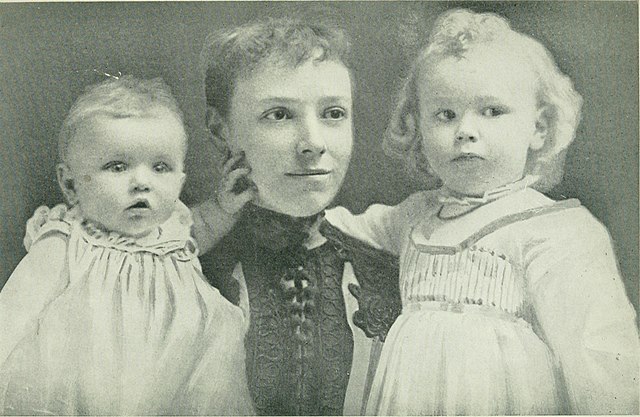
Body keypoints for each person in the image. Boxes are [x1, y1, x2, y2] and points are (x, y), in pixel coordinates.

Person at [19, 18, 401, 416]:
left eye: (334, 113)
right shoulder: (170, 270)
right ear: (221, 130)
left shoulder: (390, 268)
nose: (313, 143)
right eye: (279, 115)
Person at [326, 9, 640, 415]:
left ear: (538, 128)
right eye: (445, 114)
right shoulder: (415, 216)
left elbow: (600, 362)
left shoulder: (556, 229)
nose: (465, 130)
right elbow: (332, 223)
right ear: (418, 130)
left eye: (491, 111)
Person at [0, 76, 255, 415]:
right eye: (117, 167)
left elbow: (202, 229)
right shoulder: (67, 239)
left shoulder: (174, 227)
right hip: (89, 389)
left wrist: (223, 207)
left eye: (160, 167)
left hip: (180, 375)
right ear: (70, 183)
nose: (142, 183)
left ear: (181, 179)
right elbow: (14, 311)